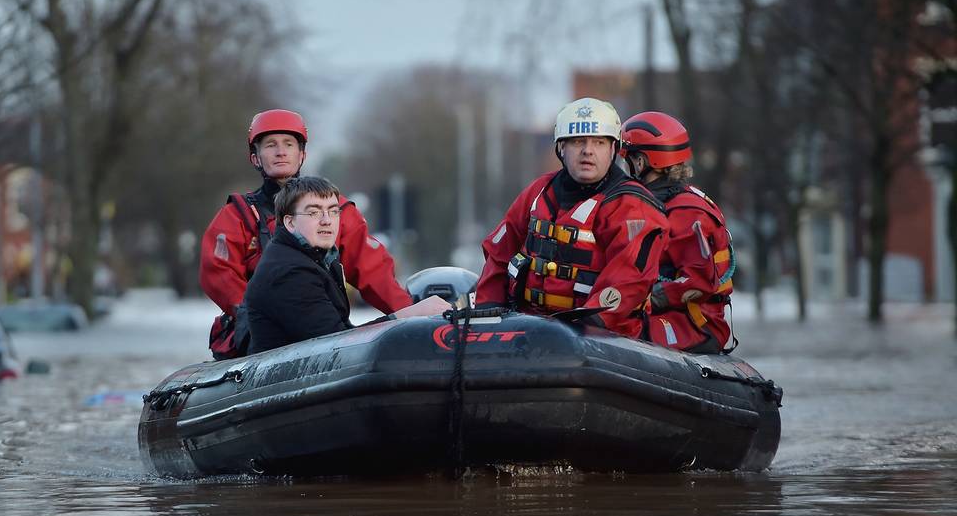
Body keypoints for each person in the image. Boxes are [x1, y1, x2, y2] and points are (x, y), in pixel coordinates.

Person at [200, 109, 413, 359]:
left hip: (317, 319)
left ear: (302, 154)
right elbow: (218, 274)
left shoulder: (337, 211)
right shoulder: (237, 216)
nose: (281, 151)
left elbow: (373, 271)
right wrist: (248, 315)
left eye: (288, 144)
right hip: (258, 332)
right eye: (271, 145)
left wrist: (409, 316)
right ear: (255, 157)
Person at [474, 97, 668, 338]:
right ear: (561, 148)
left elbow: (629, 280)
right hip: (528, 325)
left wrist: (585, 327)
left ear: (613, 149)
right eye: (578, 141)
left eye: (598, 142)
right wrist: (487, 310)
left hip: (601, 336)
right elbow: (499, 254)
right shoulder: (540, 191)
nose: (587, 150)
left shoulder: (631, 206)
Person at [244, 176, 450, 354]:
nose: (327, 220)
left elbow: (340, 332)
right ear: (289, 222)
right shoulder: (289, 272)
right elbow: (337, 345)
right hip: (285, 391)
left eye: (333, 211)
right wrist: (407, 316)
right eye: (314, 212)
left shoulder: (316, 257)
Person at [620, 111, 735, 353]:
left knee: (622, 333)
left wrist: (639, 298)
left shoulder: (687, 211)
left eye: (628, 160)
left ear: (641, 162)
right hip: (675, 315)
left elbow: (697, 280)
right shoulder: (660, 204)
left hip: (696, 323)